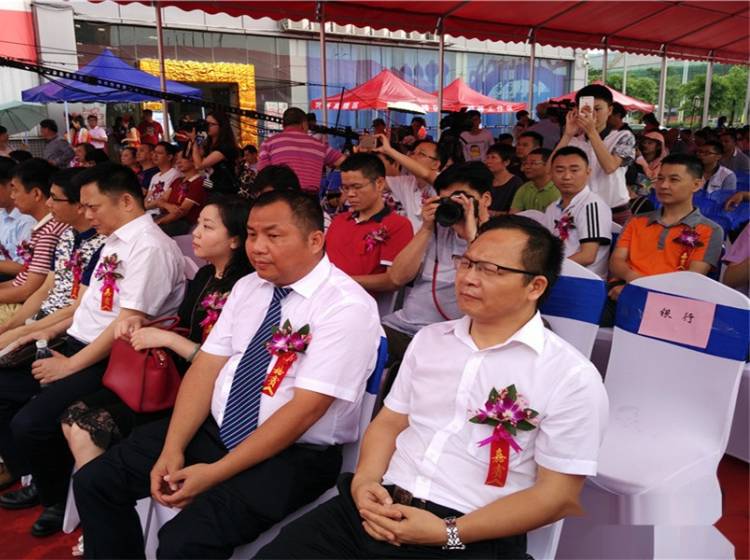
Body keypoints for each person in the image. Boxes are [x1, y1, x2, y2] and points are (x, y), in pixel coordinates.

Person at [257, 214, 608, 560]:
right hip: (378, 507)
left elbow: (557, 495)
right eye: (466, 263)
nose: (468, 278)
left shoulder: (570, 376)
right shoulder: (429, 340)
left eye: (490, 270)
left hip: (468, 535)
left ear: (535, 286)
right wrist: (365, 482)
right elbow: (390, 422)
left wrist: (448, 532)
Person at [73, 189, 382, 558]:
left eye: (273, 235)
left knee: (182, 543)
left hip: (293, 454)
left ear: (315, 240)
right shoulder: (249, 287)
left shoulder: (346, 307)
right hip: (218, 429)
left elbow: (306, 411)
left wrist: (215, 472)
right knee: (95, 482)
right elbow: (207, 366)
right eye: (251, 234)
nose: (257, 247)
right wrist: (173, 447)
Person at [0, 163, 185, 537]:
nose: (85, 214)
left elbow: (125, 326)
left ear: (126, 201)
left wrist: (69, 366)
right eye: (82, 206)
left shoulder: (149, 248)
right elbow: (84, 307)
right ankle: (31, 471)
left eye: (92, 206)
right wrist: (38, 333)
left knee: (31, 423)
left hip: (112, 359)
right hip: (76, 344)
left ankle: (53, 497)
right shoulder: (112, 241)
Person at [60, 197, 252, 555]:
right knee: (74, 417)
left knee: (88, 429)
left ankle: (103, 523)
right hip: (168, 379)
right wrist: (143, 323)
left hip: (194, 395)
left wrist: (165, 339)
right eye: (198, 223)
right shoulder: (206, 275)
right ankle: (100, 521)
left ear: (235, 239)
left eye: (208, 226)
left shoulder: (245, 287)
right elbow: (183, 327)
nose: (195, 232)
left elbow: (221, 363)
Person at [382, 162, 492, 365]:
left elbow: (489, 290)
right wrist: (425, 228)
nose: (454, 205)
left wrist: (472, 238)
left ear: (485, 199)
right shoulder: (435, 230)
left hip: (455, 341)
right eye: (446, 200)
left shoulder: (500, 238)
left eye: (461, 199)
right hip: (404, 329)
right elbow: (397, 278)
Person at [0, 168, 105, 354]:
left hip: (63, 330)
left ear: (80, 205)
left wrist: (20, 332)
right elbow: (44, 290)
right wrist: (10, 327)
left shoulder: (103, 246)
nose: (48, 203)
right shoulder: (66, 235)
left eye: (55, 198)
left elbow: (76, 307)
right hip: (40, 319)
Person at [606, 154, 723, 321]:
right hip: (624, 290)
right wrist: (633, 280)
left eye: (674, 180)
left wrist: (640, 291)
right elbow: (616, 261)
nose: (663, 185)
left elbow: (692, 278)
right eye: (660, 179)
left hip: (670, 306)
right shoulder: (636, 221)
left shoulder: (710, 230)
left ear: (696, 184)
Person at [325, 153, 413, 293]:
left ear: (379, 184)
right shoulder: (339, 220)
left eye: (357, 187)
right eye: (345, 188)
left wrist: (341, 281)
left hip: (359, 301)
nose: (350, 194)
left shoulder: (397, 225)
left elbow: (392, 280)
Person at [554, 84, 636, 225]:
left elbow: (609, 167)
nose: (592, 115)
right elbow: (550, 170)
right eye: (587, 109)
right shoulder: (573, 141)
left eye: (597, 109)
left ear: (609, 110)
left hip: (616, 212)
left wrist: (591, 132)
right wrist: (567, 134)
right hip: (580, 210)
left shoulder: (623, 136)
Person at [0, 159, 70, 323]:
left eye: (15, 190)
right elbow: (22, 280)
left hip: (27, 306)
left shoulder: (50, 233)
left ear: (37, 194)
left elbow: (28, 290)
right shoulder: (43, 229)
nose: (12, 196)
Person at [541, 147, 612, 278]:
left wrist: (548, 269)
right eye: (559, 170)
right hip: (557, 274)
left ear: (588, 172)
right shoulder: (552, 208)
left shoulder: (591, 204)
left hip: (583, 279)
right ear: (550, 174)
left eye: (574, 170)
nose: (566, 176)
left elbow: (588, 256)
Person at [258, 107, 346, 193]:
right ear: (304, 124)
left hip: (280, 196)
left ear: (283, 125)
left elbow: (263, 175)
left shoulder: (268, 144)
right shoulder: (319, 145)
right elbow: (345, 162)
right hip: (309, 198)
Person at [375, 136, 441, 232]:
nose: (412, 157)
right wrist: (364, 156)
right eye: (412, 153)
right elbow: (373, 182)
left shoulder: (443, 180)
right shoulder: (406, 182)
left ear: (435, 164)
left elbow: (426, 174)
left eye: (421, 154)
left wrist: (389, 151)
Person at [155, 151, 208, 236]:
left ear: (194, 160)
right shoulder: (177, 180)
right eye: (177, 158)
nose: (178, 161)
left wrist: (158, 223)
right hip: (164, 216)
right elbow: (160, 201)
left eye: (183, 158)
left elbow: (181, 212)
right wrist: (168, 206)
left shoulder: (200, 182)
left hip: (181, 222)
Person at [0, 157, 36, 282]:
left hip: (15, 281)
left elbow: (25, 268)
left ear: (11, 186)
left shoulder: (28, 220)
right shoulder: (2, 214)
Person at [188, 112, 239, 195]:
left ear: (222, 126)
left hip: (224, 192)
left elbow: (199, 165)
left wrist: (194, 142)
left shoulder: (225, 147)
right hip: (211, 188)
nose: (207, 127)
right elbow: (194, 157)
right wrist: (194, 137)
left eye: (211, 124)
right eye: (206, 124)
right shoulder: (208, 145)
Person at [510, 148, 560, 214]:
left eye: (533, 163)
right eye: (525, 163)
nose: (527, 167)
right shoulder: (524, 188)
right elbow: (513, 215)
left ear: (548, 165)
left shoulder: (559, 189)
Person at [484, 144, 523, 215]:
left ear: (506, 162)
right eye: (487, 157)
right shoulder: (485, 180)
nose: (488, 161)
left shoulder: (516, 183)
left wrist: (494, 213)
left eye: (493, 157)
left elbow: (517, 212)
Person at [145, 142, 180, 212]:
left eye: (159, 153)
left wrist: (152, 204)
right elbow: (146, 201)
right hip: (149, 212)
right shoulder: (155, 177)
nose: (155, 155)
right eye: (154, 152)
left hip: (161, 213)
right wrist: (153, 204)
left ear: (169, 157)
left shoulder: (175, 174)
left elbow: (165, 199)